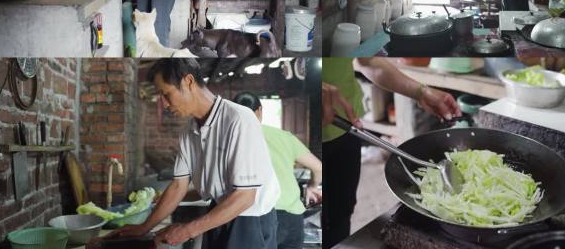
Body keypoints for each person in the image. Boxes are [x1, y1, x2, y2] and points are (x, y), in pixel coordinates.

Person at [108, 59, 280, 248]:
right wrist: (144, 227)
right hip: (219, 210)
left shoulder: (239, 119)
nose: (164, 104)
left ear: (188, 81)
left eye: (166, 94)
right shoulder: (189, 131)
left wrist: (188, 230)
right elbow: (178, 186)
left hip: (249, 220)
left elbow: (245, 197)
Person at [321, 58, 461, 248]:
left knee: (340, 214)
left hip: (346, 126)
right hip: (307, 136)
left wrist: (421, 92)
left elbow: (367, 61)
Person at [234, 91, 323, 249]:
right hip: (291, 217)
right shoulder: (283, 136)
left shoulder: (231, 140)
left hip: (256, 217)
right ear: (260, 111)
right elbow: (318, 167)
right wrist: (312, 186)